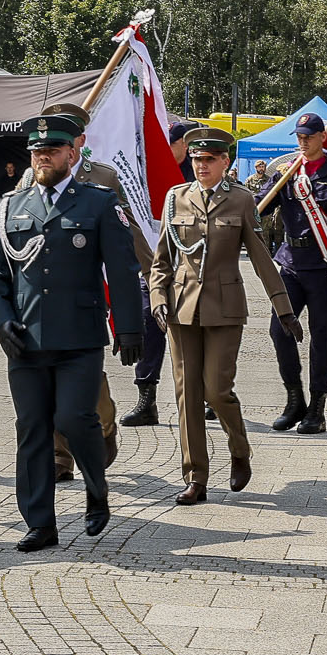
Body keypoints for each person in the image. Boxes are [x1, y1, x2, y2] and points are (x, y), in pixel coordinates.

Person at [0, 111, 141, 551]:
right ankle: (40, 523)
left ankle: (96, 487)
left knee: (74, 418)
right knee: (32, 427)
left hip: (79, 336)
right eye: (37, 152)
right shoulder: (12, 205)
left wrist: (129, 329)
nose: (42, 158)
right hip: (25, 338)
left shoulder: (99, 202)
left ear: (73, 151)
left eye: (51, 151)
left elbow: (123, 271)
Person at [146, 126, 297, 505]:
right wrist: (156, 297)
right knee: (187, 395)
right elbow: (162, 259)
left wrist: (284, 308)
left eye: (209, 160)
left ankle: (239, 448)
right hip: (180, 309)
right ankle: (195, 476)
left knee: (217, 390)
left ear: (225, 162)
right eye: (196, 159)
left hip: (225, 309)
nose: (201, 166)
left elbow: (261, 258)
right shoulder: (175, 198)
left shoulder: (241, 200)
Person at [13, 103, 147, 480]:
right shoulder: (30, 175)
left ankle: (104, 424)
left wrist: (151, 272)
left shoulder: (103, 177)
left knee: (87, 379)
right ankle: (59, 456)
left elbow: (128, 234)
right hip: (40, 296)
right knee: (49, 378)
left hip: (89, 287)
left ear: (79, 142)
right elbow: (12, 229)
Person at [263, 111, 327, 433]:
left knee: (321, 336)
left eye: (309, 136)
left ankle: (317, 408)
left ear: (322, 137)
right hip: (291, 262)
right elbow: (261, 205)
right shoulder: (287, 172)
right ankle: (294, 399)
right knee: (280, 329)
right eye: (299, 137)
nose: (303, 142)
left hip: (324, 268)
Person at [123, 118, 200, 428]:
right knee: (149, 326)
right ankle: (147, 398)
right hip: (154, 266)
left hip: (193, 270)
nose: (166, 150)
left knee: (198, 331)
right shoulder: (149, 176)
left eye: (171, 143)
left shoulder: (199, 174)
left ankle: (206, 394)